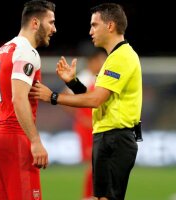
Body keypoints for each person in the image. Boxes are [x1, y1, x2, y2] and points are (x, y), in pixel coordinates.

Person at [30, 3, 142, 200]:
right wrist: (73, 82)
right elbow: (101, 97)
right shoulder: (113, 58)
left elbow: (96, 99)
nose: (90, 31)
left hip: (116, 138)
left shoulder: (121, 57)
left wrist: (53, 97)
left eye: (94, 25)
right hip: (107, 137)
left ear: (110, 26)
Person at [0, 0, 56, 200]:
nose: (54, 29)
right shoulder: (27, 51)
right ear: (35, 23)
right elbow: (18, 98)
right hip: (15, 138)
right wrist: (35, 141)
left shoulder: (3, 50)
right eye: (51, 22)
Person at [62, 47, 107, 200]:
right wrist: (81, 118)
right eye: (101, 60)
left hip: (96, 127)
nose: (103, 63)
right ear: (92, 61)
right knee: (93, 164)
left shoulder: (98, 78)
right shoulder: (85, 78)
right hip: (87, 128)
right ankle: (88, 196)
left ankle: (95, 195)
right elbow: (65, 98)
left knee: (99, 164)